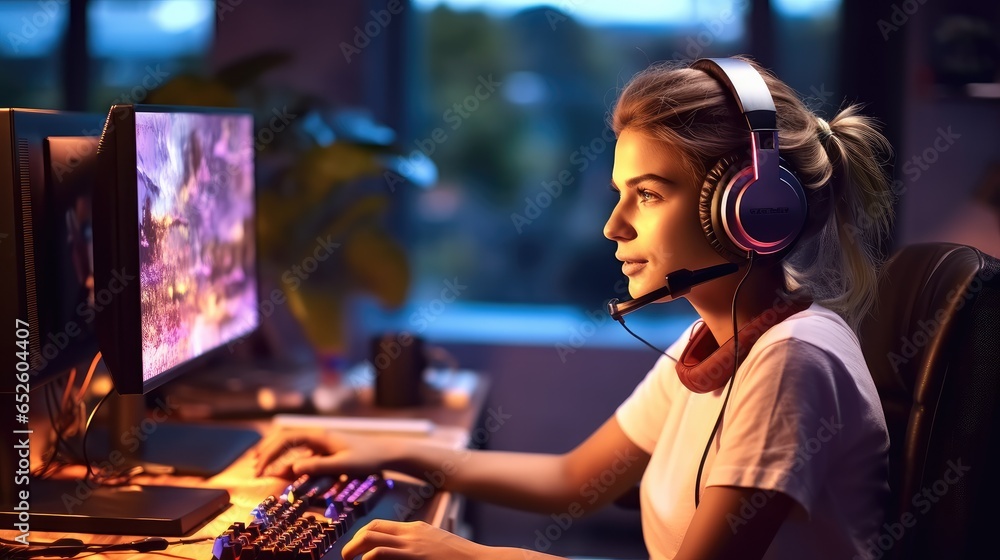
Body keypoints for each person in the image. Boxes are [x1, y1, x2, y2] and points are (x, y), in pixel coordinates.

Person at [254, 55, 894, 560]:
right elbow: (573, 481)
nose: (614, 226)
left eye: (647, 194)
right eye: (620, 193)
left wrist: (469, 556)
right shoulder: (712, 340)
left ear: (752, 209)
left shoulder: (793, 362)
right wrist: (391, 452)